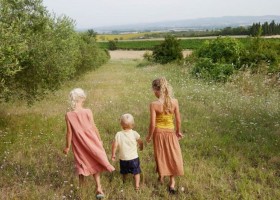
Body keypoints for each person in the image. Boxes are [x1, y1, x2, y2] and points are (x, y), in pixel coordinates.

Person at [63, 88, 115, 199]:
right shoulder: (87, 111)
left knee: (81, 164)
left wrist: (67, 146)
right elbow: (93, 126)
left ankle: (82, 191)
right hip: (91, 141)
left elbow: (69, 133)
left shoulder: (68, 115)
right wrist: (99, 139)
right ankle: (98, 187)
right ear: (82, 98)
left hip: (79, 144)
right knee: (94, 161)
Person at [146, 77, 184, 194]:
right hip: (171, 132)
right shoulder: (174, 102)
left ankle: (161, 177)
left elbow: (152, 124)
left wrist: (149, 136)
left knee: (160, 155)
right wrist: (178, 131)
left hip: (158, 133)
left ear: (156, 90)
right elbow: (178, 120)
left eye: (153, 90)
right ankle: (171, 182)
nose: (154, 93)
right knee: (172, 155)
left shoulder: (154, 104)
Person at [111, 113, 143, 191]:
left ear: (121, 125)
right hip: (134, 158)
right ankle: (137, 186)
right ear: (133, 125)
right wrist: (141, 147)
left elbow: (115, 145)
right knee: (136, 172)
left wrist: (113, 154)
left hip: (123, 158)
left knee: (124, 172)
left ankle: (124, 182)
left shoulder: (119, 134)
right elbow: (140, 142)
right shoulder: (134, 133)